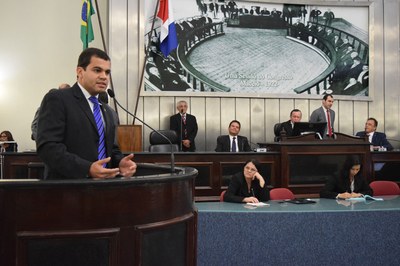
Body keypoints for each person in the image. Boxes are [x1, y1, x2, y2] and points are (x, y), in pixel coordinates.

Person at [36, 48, 137, 179]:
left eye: (107, 72)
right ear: (80, 72)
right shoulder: (58, 99)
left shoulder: (107, 110)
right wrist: (87, 168)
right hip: (67, 190)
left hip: (104, 190)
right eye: (97, 70)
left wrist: (120, 162)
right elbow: (48, 148)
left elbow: (111, 149)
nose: (103, 76)